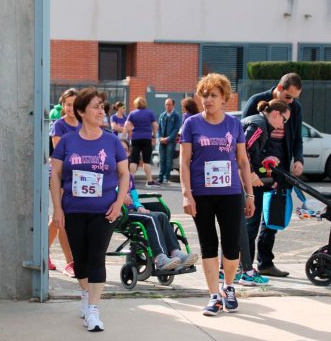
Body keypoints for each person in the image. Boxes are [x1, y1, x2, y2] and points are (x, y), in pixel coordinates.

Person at [50, 87, 130, 332]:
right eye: (95, 106)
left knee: (96, 257)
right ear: (82, 111)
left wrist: (118, 203)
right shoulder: (67, 141)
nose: (101, 111)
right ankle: (85, 295)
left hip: (103, 210)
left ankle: (94, 309)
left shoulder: (112, 141)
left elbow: (124, 173)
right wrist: (57, 209)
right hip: (73, 210)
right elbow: (55, 176)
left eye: (101, 107)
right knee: (80, 260)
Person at [180, 73, 255, 316]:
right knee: (208, 243)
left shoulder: (234, 125)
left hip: (231, 192)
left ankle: (229, 287)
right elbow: (184, 162)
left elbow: (243, 161)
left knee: (232, 245)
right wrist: (186, 194)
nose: (207, 99)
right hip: (201, 193)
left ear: (224, 98)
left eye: (213, 95)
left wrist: (250, 194)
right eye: (204, 95)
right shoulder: (191, 124)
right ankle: (214, 296)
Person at [242, 73, 303, 278]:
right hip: (258, 168)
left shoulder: (295, 108)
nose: (291, 101)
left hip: (280, 168)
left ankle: (265, 262)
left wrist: (298, 159)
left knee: (273, 218)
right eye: (288, 97)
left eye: (294, 98)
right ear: (279, 87)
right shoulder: (256, 103)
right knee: (252, 215)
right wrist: (251, 170)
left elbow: (297, 138)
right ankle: (247, 265)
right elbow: (245, 141)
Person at [120, 139, 199, 270]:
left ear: (129, 153)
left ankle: (175, 252)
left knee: (161, 215)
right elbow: (106, 190)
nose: (123, 152)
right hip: (120, 213)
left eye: (125, 150)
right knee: (150, 218)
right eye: (120, 149)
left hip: (133, 210)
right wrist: (120, 194)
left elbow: (134, 196)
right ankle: (160, 258)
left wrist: (139, 206)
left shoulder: (129, 176)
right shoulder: (109, 172)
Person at [48, 88, 80, 276]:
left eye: (75, 104)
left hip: (80, 177)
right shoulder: (59, 125)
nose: (71, 108)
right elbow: (60, 154)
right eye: (68, 104)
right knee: (62, 218)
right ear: (63, 105)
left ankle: (43, 253)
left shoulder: (83, 123)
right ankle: (70, 262)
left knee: (61, 220)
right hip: (62, 176)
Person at [123, 96, 159, 187]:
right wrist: (154, 135)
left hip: (135, 138)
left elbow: (126, 125)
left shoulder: (132, 113)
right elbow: (155, 125)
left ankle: (130, 180)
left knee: (134, 160)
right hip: (147, 138)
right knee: (146, 160)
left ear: (136, 104)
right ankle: (149, 181)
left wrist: (123, 137)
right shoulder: (149, 113)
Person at [157, 99, 181, 184]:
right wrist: (160, 138)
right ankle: (160, 177)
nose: (167, 106)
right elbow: (159, 128)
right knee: (162, 159)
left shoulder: (176, 116)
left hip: (170, 141)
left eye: (169, 105)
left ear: (173, 105)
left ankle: (165, 177)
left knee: (168, 160)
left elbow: (176, 129)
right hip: (162, 141)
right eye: (166, 104)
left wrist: (168, 139)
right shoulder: (162, 115)